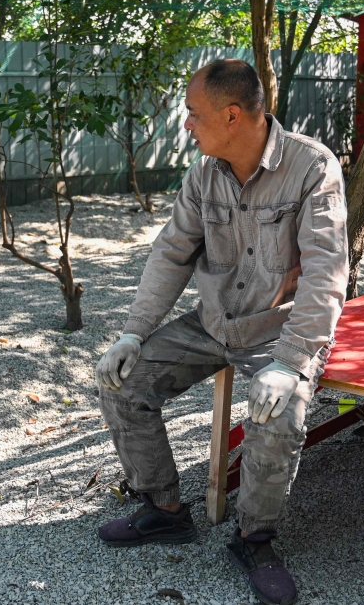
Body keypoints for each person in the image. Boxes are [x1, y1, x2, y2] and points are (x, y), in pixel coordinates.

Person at [94, 58, 348, 605]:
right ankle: (164, 510)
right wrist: (133, 333)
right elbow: (171, 254)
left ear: (231, 115)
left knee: (279, 419)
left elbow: (327, 274)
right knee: (122, 382)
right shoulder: (203, 173)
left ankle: (254, 537)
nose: (186, 124)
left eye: (193, 113)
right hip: (213, 325)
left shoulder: (312, 168)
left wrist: (293, 361)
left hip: (277, 334)